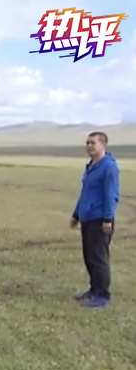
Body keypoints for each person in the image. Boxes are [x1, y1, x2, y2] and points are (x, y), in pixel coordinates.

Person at [70, 131, 119, 308]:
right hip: (88, 218)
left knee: (99, 258)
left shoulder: (108, 167)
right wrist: (76, 215)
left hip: (100, 219)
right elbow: (86, 193)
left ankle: (103, 296)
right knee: (89, 256)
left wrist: (107, 218)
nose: (89, 146)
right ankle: (94, 290)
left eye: (93, 143)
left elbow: (111, 194)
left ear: (103, 145)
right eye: (87, 143)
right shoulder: (91, 166)